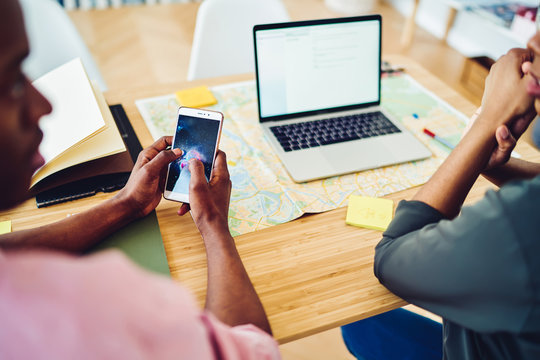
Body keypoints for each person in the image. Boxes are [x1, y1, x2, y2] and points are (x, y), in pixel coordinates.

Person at [0, 0, 280, 358]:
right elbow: (248, 348)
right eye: (12, 85)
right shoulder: (105, 310)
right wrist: (213, 223)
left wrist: (127, 203)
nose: (44, 105)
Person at [342, 34, 540, 359]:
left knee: (361, 322)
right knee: (363, 325)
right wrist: (493, 164)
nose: (533, 38)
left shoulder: (521, 227)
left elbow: (392, 256)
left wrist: (489, 120)